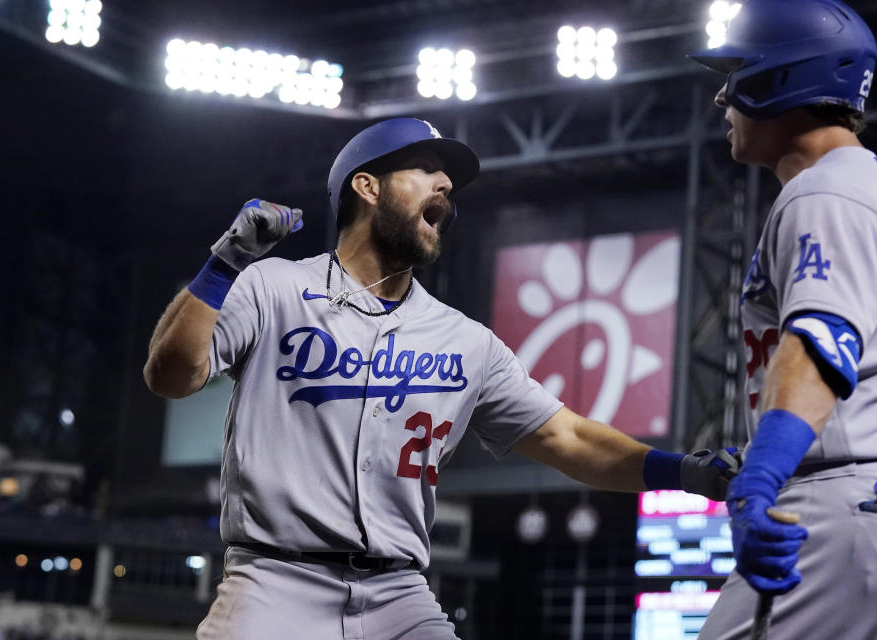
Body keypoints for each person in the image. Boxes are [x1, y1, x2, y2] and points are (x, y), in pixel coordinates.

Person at [143, 116, 739, 639]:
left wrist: (680, 471)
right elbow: (171, 376)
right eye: (425, 169)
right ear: (367, 186)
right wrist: (225, 263)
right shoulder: (271, 287)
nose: (446, 186)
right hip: (275, 583)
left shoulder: (466, 341)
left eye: (448, 180)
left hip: (399, 596)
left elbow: (571, 440)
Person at [688, 1, 877, 638]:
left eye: (738, 72)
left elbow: (821, 343)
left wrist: (762, 476)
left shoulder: (826, 192)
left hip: (838, 505)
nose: (721, 97)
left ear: (780, 81)